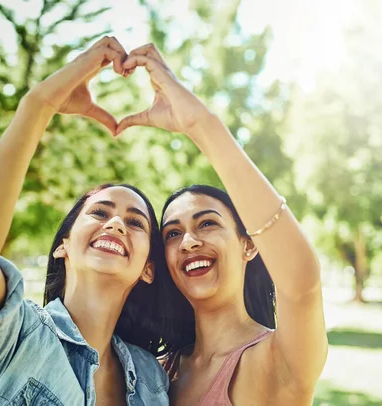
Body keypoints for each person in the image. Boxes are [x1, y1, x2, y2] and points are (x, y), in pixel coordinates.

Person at [0, 36, 169, 406]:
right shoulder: (17, 336)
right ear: (63, 245)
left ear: (148, 268)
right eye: (99, 212)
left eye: (135, 222)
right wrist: (39, 105)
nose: (115, 225)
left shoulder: (153, 378)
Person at [115, 44, 328, 405]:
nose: (188, 242)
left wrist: (199, 125)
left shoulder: (276, 360)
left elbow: (301, 283)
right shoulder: (153, 373)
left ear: (248, 244)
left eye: (208, 223)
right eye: (172, 233)